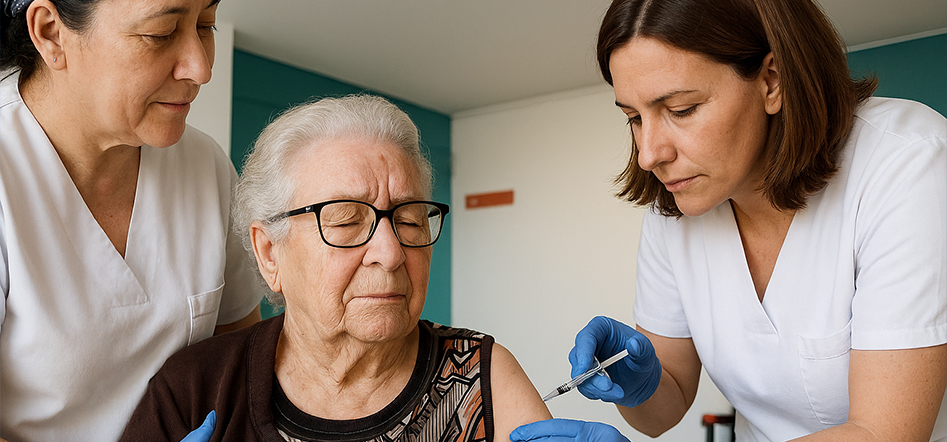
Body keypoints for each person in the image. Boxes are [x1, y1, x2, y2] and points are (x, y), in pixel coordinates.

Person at [513, 0, 946, 441]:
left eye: (680, 109)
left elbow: (885, 433)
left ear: (771, 81)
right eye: (633, 118)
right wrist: (636, 385)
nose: (649, 154)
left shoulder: (906, 160)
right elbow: (665, 406)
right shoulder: (677, 207)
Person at [118, 94, 553, 441]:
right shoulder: (195, 389)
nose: (391, 252)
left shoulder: (483, 376)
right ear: (270, 253)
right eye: (346, 220)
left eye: (409, 219)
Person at [0, 0, 262, 439]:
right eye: (159, 34)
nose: (200, 68)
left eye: (206, 26)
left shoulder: (206, 168)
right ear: (51, 33)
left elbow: (237, 359)